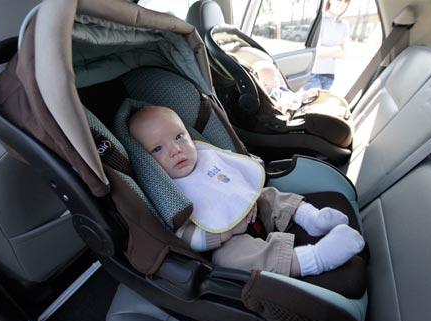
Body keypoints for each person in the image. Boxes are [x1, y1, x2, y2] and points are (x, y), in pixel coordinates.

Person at [129, 105, 365, 277]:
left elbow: (240, 174)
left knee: (269, 196)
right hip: (228, 240)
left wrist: (248, 196)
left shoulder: (207, 155)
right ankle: (315, 259)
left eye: (179, 136)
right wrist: (225, 234)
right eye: (158, 149)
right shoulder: (167, 191)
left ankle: (312, 218)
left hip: (254, 210)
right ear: (147, 162)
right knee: (230, 259)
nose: (176, 150)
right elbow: (185, 235)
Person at [302, 0, 350, 91]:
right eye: (339, 0)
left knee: (323, 104)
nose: (342, 4)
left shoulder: (344, 25)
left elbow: (344, 54)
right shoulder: (318, 20)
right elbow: (317, 51)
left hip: (330, 75)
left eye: (346, 1)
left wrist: (326, 50)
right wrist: (337, 48)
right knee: (314, 104)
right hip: (313, 74)